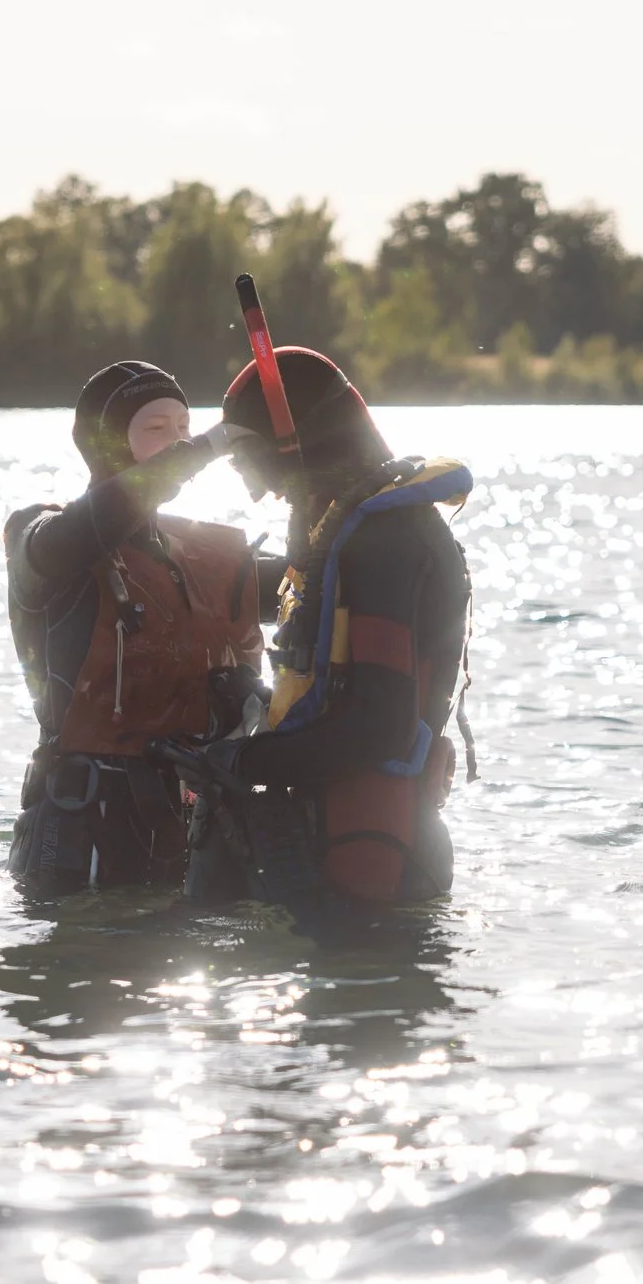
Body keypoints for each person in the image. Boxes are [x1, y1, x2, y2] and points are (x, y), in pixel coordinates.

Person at [168, 347, 473, 910]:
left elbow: (377, 727)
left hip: (373, 861)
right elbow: (326, 673)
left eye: (249, 457)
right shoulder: (362, 535)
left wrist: (242, 762)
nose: (261, 491)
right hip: (359, 848)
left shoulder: (386, 543)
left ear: (294, 443)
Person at [3, 361, 270, 893]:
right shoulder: (45, 537)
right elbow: (84, 530)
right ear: (108, 444)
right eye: (155, 429)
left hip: (185, 816)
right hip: (81, 824)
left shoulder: (196, 551)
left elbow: (312, 581)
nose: (176, 443)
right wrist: (204, 450)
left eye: (183, 429)